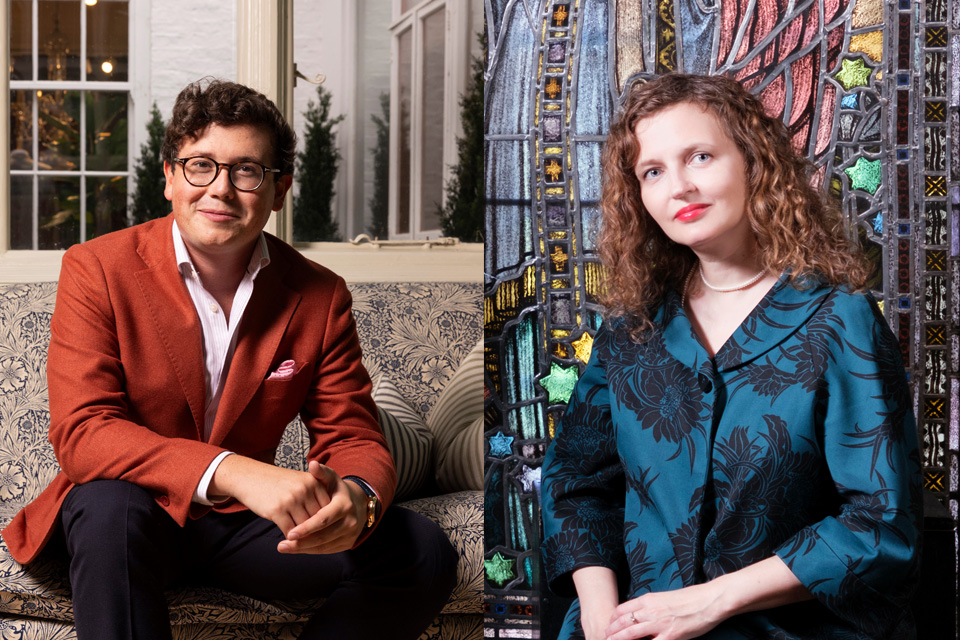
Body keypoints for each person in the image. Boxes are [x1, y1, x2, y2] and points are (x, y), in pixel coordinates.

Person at [1, 78, 457, 639]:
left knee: (420, 551)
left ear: (280, 188)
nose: (219, 189)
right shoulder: (96, 269)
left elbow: (353, 437)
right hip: (127, 522)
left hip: (243, 530)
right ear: (168, 177)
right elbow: (85, 433)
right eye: (200, 166)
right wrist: (239, 474)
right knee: (106, 508)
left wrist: (357, 500)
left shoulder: (321, 294)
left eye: (246, 171)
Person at [540, 73, 922, 640]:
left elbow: (880, 525)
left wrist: (710, 603)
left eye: (699, 157)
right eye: (653, 171)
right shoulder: (628, 332)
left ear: (753, 161)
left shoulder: (841, 320)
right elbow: (574, 482)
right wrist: (598, 616)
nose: (678, 187)